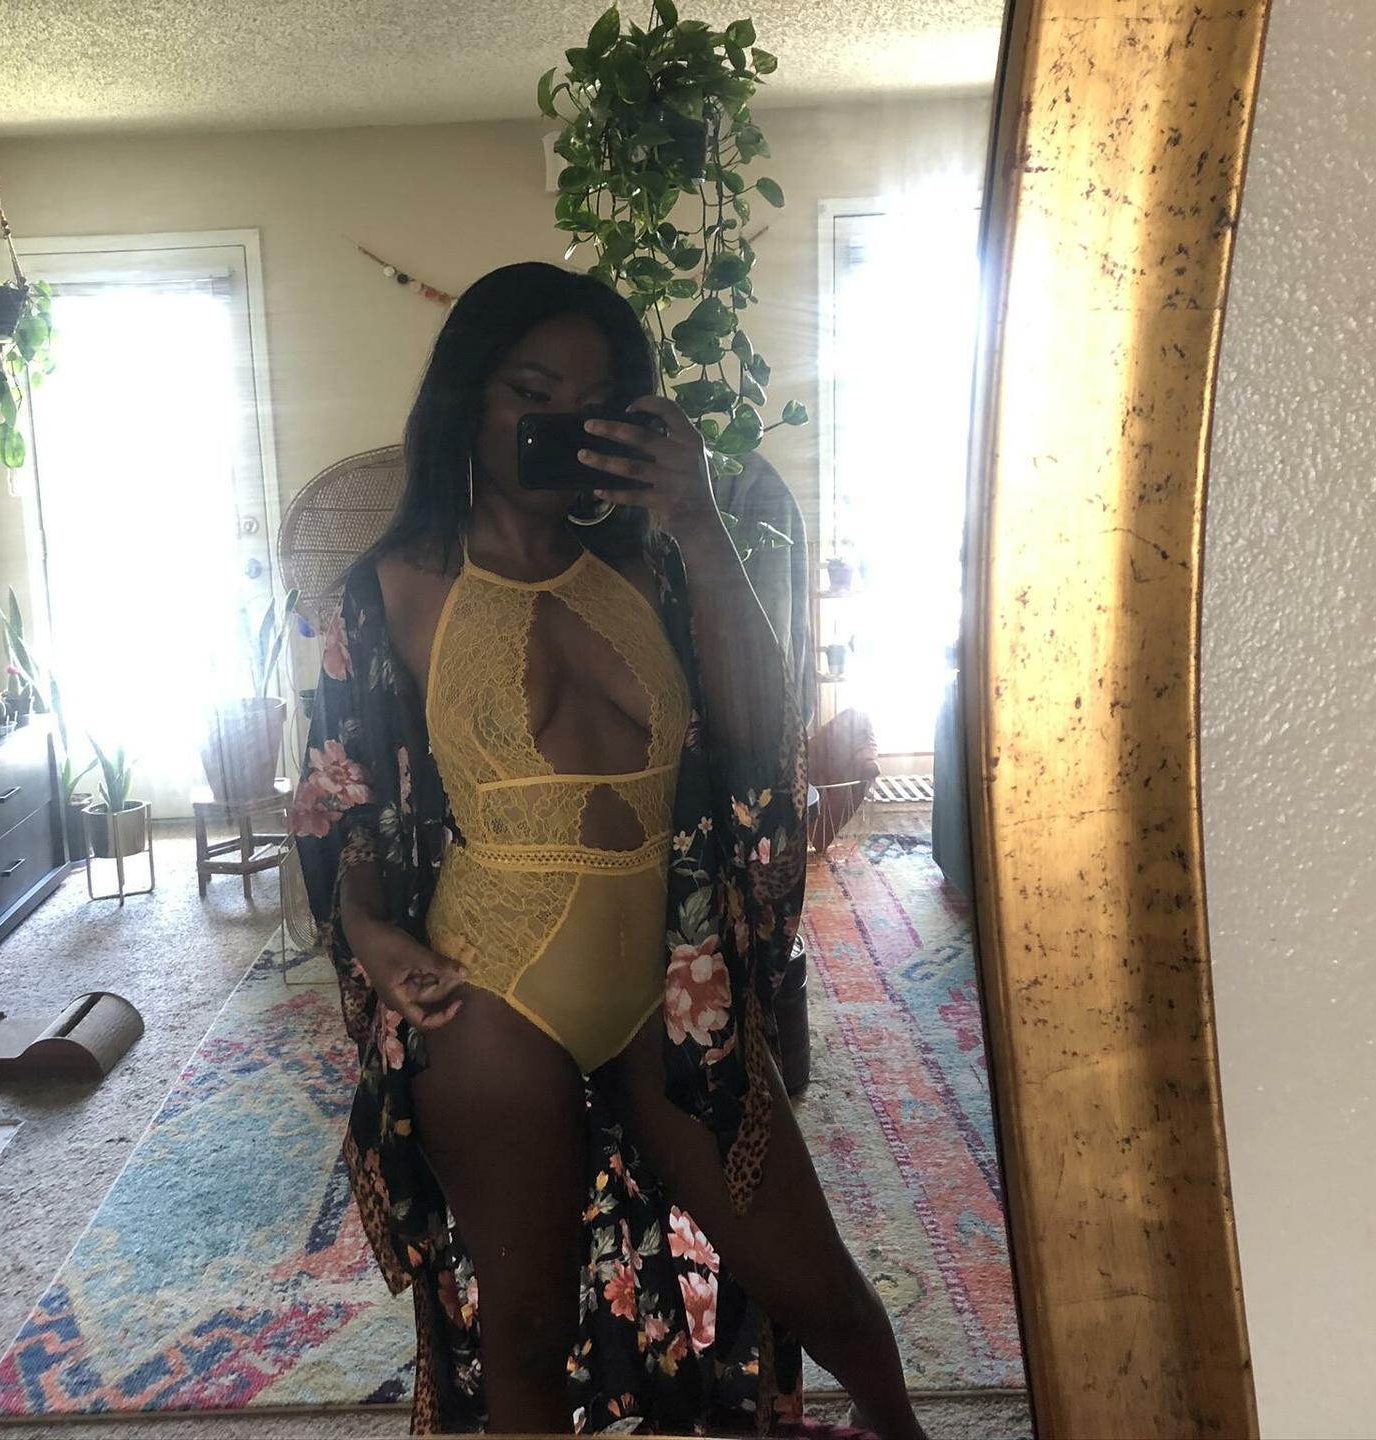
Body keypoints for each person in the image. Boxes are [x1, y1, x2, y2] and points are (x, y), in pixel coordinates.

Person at [293, 262, 923, 1438]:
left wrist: (698, 517)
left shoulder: (654, 564)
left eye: (591, 405)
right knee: (525, 1334)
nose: (559, 425)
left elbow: (757, 729)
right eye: (531, 393)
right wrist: (372, 934)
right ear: (469, 400)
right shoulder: (382, 593)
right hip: (491, 985)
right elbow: (344, 804)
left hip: (670, 977)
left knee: (818, 1282)